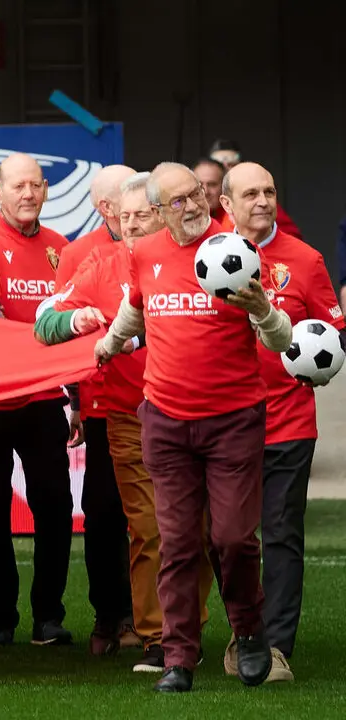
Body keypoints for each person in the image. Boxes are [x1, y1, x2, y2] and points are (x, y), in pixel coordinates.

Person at [96, 161, 293, 692]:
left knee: (231, 538)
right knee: (178, 543)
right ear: (157, 211)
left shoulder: (237, 250)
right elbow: (136, 311)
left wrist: (264, 311)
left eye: (197, 195)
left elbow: (280, 342)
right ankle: (179, 658)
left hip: (233, 420)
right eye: (178, 201)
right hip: (165, 420)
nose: (192, 206)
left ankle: (248, 632)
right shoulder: (145, 252)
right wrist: (110, 345)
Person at [35, 171, 214, 673]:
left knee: (198, 531)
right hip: (129, 416)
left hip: (201, 410)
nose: (132, 225)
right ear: (111, 217)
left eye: (143, 215)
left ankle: (188, 630)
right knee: (151, 528)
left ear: (162, 214)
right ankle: (160, 639)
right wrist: (78, 321)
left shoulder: (202, 256)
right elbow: (44, 321)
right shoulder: (101, 264)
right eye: (124, 216)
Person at [220, 162, 346, 683]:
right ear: (226, 204)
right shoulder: (206, 258)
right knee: (226, 538)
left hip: (288, 422)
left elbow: (334, 328)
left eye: (269, 191)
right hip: (222, 422)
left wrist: (327, 359)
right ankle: (244, 630)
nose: (262, 201)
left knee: (281, 536)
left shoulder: (306, 259)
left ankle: (275, 649)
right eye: (250, 193)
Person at [0, 152, 76, 647]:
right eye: (16, 186)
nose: (27, 194)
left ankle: (48, 617)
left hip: (44, 396)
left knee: (55, 507)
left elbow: (75, 325)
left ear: (46, 190)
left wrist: (77, 396)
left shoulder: (61, 248)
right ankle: (0, 619)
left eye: (35, 185)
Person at [53, 163, 137, 656]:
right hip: (105, 407)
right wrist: (77, 403)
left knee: (158, 519)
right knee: (103, 512)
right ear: (106, 208)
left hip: (162, 404)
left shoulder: (166, 247)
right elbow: (64, 331)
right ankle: (109, 616)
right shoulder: (79, 255)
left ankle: (157, 620)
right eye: (127, 200)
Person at [193, 158, 226, 223]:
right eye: (199, 185)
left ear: (224, 187)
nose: (205, 192)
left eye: (212, 185)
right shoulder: (177, 221)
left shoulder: (236, 224)